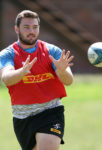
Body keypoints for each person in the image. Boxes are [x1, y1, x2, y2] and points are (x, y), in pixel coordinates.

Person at [0, 10, 74, 150]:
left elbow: (69, 81)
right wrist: (21, 72)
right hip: (22, 116)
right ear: (17, 29)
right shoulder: (8, 54)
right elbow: (6, 78)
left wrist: (63, 71)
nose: (31, 31)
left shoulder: (52, 51)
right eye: (26, 27)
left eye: (35, 27)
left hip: (50, 111)